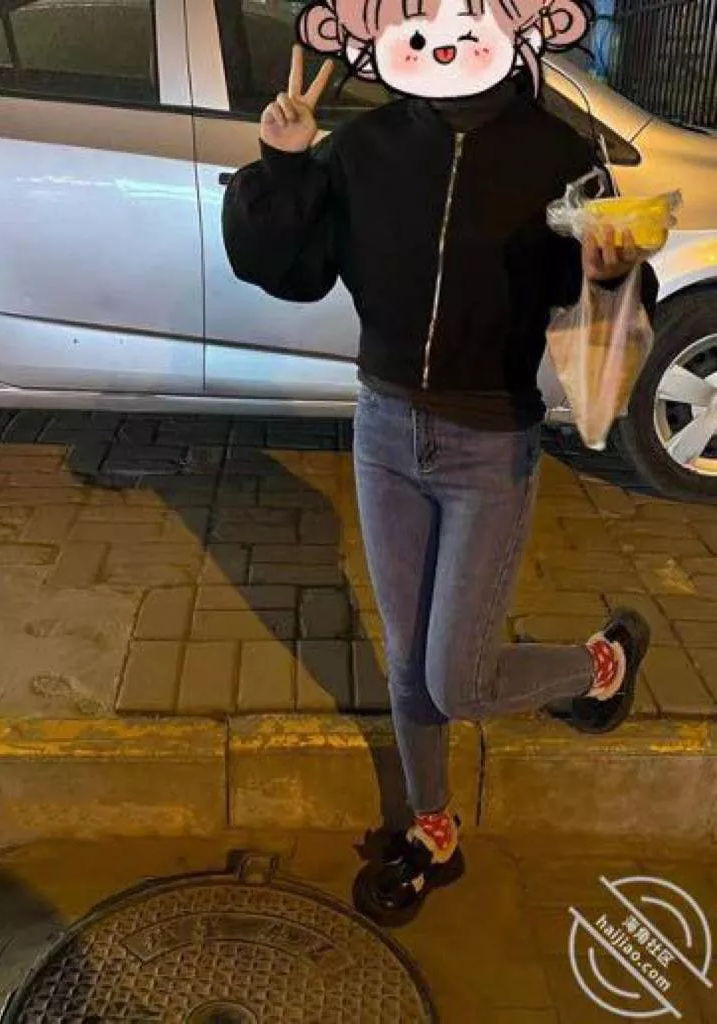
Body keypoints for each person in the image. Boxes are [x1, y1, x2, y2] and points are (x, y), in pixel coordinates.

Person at [222, 0, 660, 928]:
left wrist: (611, 275)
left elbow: (605, 316)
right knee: (410, 662)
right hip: (384, 430)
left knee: (457, 681)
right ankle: (433, 827)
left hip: (489, 445)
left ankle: (602, 665)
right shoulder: (366, 145)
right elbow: (288, 270)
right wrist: (284, 164)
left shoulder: (559, 154)